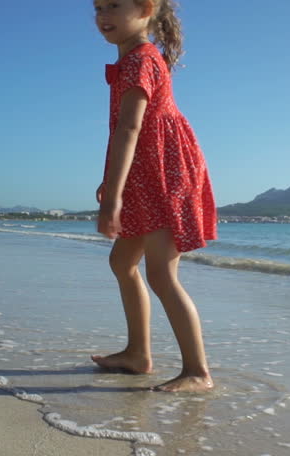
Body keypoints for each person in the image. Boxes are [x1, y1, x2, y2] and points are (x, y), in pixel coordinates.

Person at [90, 0, 217, 393]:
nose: (103, 15)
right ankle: (137, 354)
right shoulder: (133, 60)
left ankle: (198, 371)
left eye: (113, 5)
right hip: (143, 173)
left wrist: (113, 196)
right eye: (97, 7)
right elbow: (123, 132)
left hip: (164, 174)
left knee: (161, 273)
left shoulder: (140, 60)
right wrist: (111, 178)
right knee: (122, 262)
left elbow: (131, 127)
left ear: (146, 9)